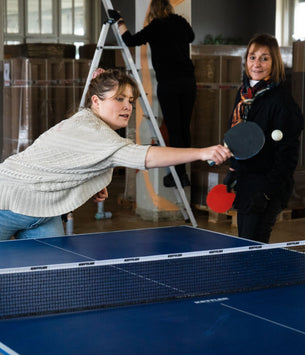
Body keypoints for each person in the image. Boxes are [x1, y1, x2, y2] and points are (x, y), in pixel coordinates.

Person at [0, 68, 230, 240]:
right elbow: (146, 157)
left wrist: (87, 182)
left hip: (43, 211)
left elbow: (64, 162)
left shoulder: (85, 121)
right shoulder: (95, 131)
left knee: (48, 278)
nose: (128, 106)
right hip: (6, 202)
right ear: (95, 102)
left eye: (130, 100)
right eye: (119, 99)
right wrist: (201, 152)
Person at [223, 33, 304, 243]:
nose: (256, 63)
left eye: (264, 58)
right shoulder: (244, 95)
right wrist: (233, 170)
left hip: (267, 186)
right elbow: (239, 138)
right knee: (245, 243)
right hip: (246, 181)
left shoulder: (282, 102)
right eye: (252, 57)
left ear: (274, 62)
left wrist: (267, 193)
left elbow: (288, 155)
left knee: (252, 246)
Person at [110, 0, 196, 187]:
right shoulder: (180, 22)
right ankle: (183, 174)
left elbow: (130, 41)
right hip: (189, 82)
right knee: (184, 128)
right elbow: (191, 37)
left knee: (174, 130)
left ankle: (178, 175)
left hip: (169, 84)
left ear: (154, 11)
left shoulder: (156, 26)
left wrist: (120, 21)